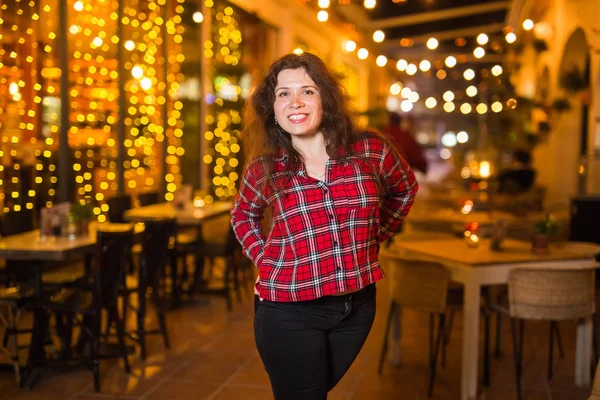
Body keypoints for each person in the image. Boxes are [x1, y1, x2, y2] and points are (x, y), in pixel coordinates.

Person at [230, 52, 418, 400]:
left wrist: (372, 241)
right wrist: (265, 257)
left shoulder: (371, 150)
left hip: (358, 306)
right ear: (272, 107)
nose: (295, 102)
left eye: (307, 91)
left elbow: (404, 189)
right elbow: (242, 215)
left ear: (326, 99)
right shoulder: (265, 168)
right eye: (283, 93)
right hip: (289, 310)